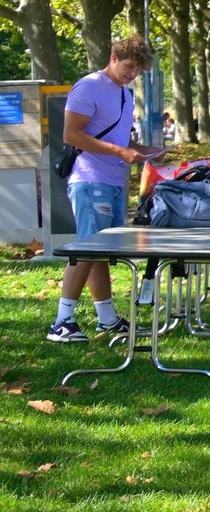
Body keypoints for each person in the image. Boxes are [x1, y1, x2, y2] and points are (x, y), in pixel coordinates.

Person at [47, 37, 153, 344]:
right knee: (87, 249)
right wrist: (120, 153)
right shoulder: (89, 86)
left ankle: (106, 317)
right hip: (90, 178)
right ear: (114, 58)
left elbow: (121, 139)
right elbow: (71, 134)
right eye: (130, 66)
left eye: (138, 69)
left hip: (113, 180)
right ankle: (62, 321)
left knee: (99, 251)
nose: (133, 74)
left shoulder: (125, 93)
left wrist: (145, 150)